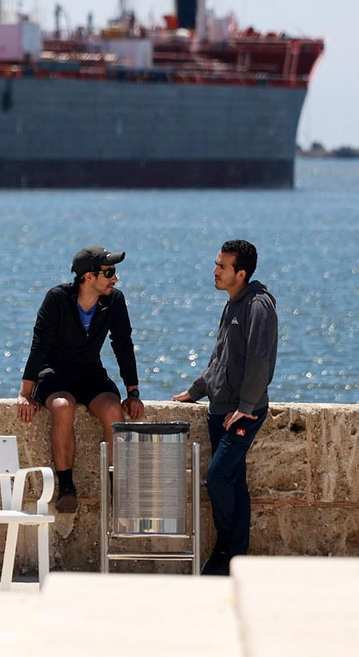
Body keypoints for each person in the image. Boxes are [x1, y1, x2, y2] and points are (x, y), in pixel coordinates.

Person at [172, 239, 278, 576]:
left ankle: (226, 551)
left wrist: (246, 405)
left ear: (241, 273)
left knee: (216, 479)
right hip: (220, 409)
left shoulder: (258, 305)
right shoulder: (232, 303)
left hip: (243, 412)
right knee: (234, 483)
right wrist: (195, 390)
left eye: (222, 266)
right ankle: (236, 558)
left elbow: (261, 361)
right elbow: (220, 359)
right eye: (216, 263)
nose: (215, 271)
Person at [16, 245, 145, 513]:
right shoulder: (57, 299)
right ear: (88, 277)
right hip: (54, 373)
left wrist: (132, 393)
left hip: (90, 372)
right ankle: (66, 488)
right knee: (63, 406)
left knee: (112, 409)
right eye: (109, 273)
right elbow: (39, 345)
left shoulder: (114, 301)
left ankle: (115, 488)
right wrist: (25, 393)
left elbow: (123, 344)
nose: (115, 279)